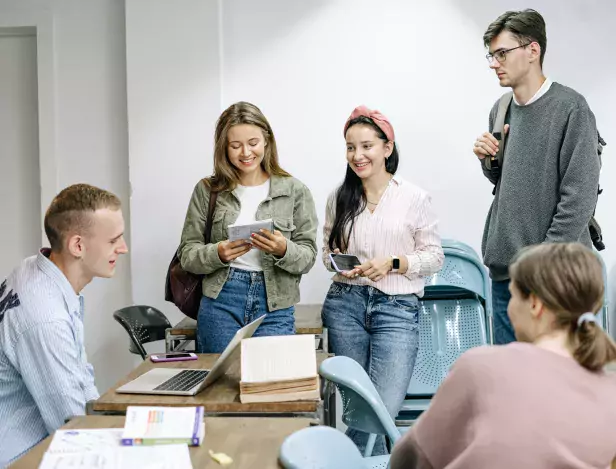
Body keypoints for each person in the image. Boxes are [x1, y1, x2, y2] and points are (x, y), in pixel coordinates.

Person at [389, 242, 616, 469]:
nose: (509, 308)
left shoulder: (481, 367)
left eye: (512, 297)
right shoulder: (610, 389)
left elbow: (410, 457)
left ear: (535, 304)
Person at [473, 9, 601, 344]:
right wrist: (490, 161)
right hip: (506, 276)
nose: (494, 62)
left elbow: (579, 198)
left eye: (502, 53)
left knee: (559, 386)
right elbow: (509, 183)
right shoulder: (500, 108)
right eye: (492, 54)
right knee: (510, 386)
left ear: (533, 51)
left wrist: (540, 264)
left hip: (555, 279)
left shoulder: (571, 109)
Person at [321, 105, 444, 455]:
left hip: (397, 309)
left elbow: (434, 257)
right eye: (350, 147)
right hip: (345, 306)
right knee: (358, 408)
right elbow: (325, 254)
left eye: (366, 146)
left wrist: (394, 262)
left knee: (380, 410)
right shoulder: (339, 197)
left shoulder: (414, 198)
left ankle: (339, 460)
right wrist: (340, 265)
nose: (357, 155)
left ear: (387, 148)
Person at [0, 184, 128, 467]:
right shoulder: (45, 319)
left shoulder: (35, 268)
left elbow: (78, 380)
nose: (123, 248)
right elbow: (72, 426)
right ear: (77, 246)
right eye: (113, 240)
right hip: (22, 455)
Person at [179, 101, 318, 353]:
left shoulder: (295, 191)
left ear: (266, 141)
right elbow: (187, 254)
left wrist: (283, 249)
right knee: (218, 386)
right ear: (224, 147)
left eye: (253, 143)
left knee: (269, 385)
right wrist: (218, 253)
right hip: (221, 300)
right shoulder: (207, 190)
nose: (245, 153)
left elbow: (308, 257)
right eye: (235, 145)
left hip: (275, 303)